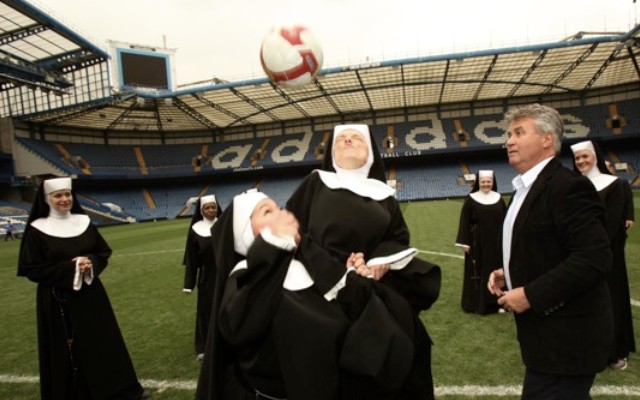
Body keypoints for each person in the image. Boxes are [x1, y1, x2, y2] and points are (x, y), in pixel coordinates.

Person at [286, 124, 441, 400]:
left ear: (370, 151)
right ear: (331, 152)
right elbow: (291, 230)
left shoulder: (383, 194)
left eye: (356, 138)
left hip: (370, 287)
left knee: (398, 355)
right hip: (319, 285)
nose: (347, 140)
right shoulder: (315, 183)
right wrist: (333, 268)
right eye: (341, 139)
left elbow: (397, 237)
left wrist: (376, 261)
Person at [487, 104, 613, 400]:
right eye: (509, 134)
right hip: (548, 339)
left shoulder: (568, 187)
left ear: (547, 139)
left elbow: (593, 258)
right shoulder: (526, 189)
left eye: (519, 132)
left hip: (568, 338)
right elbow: (546, 248)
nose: (509, 141)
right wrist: (509, 272)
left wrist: (529, 294)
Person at [195, 189, 351, 400]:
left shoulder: (309, 265)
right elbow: (237, 325)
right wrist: (272, 247)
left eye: (278, 208)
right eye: (267, 211)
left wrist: (349, 275)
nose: (280, 214)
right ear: (244, 231)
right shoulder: (243, 276)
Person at [17, 177, 149, 400]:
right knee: (69, 348)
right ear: (47, 199)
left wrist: (90, 263)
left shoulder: (84, 222)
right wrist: (72, 268)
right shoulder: (36, 229)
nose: (64, 199)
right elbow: (31, 267)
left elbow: (102, 252)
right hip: (58, 299)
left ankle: (117, 390)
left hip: (91, 293)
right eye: (58, 195)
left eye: (67, 194)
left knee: (104, 342)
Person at [571, 140, 635, 370]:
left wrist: (590, 252)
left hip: (606, 258)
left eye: (585, 157)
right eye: (577, 158)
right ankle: (586, 350)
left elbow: (611, 224)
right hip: (577, 257)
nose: (581, 162)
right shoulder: (573, 185)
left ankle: (614, 352)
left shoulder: (615, 185)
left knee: (610, 303)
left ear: (595, 157)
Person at [455, 170, 506, 314]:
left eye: (488, 182)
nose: (486, 184)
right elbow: (464, 221)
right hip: (477, 243)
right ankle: (476, 304)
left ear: (492, 182)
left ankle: (498, 303)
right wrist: (464, 242)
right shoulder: (471, 199)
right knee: (478, 272)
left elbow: (506, 220)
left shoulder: (499, 198)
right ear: (479, 182)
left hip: (496, 243)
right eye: (483, 182)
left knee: (497, 273)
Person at [182, 194, 222, 361]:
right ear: (201, 210)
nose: (211, 210)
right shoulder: (195, 230)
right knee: (206, 312)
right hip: (206, 278)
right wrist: (188, 284)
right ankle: (204, 346)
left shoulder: (224, 224)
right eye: (207, 207)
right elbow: (192, 260)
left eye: (213, 206)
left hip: (224, 276)